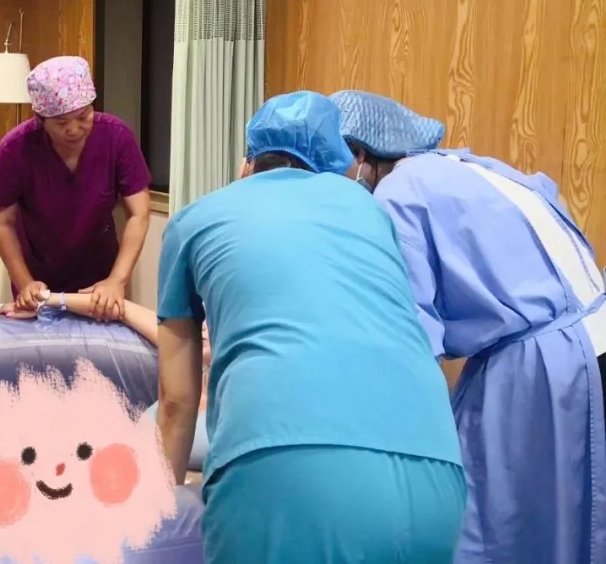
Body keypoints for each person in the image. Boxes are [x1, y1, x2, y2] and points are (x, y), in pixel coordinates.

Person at [157, 90, 466, 564]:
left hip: (283, 473)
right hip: (435, 477)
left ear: (247, 164)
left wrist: (155, 522)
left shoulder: (195, 219)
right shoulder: (370, 212)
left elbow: (177, 403)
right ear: (341, 165)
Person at [331, 88, 606, 564]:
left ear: (359, 154)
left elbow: (409, 342)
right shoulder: (468, 165)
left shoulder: (397, 197)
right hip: (590, 334)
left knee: (495, 522)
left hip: (546, 366)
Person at [0, 56, 151, 321]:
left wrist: (117, 279)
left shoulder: (117, 138)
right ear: (41, 119)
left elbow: (139, 213)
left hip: (100, 280)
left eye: (83, 116)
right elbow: (2, 222)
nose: (74, 129)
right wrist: (25, 283)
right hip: (39, 276)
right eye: (61, 122)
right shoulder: (15, 149)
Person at [0, 294, 212, 468]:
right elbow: (120, 307)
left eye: (213, 321)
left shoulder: (228, 408)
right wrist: (44, 300)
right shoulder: (186, 353)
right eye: (201, 319)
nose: (203, 328)